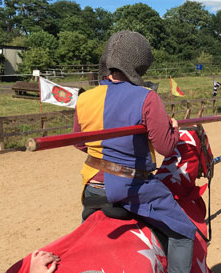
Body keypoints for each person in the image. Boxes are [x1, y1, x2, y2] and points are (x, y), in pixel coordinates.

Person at [73, 31, 196, 273]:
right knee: (184, 233)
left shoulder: (85, 98)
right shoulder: (147, 97)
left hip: (92, 187)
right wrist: (174, 130)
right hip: (132, 188)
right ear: (140, 64)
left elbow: (79, 143)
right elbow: (166, 148)